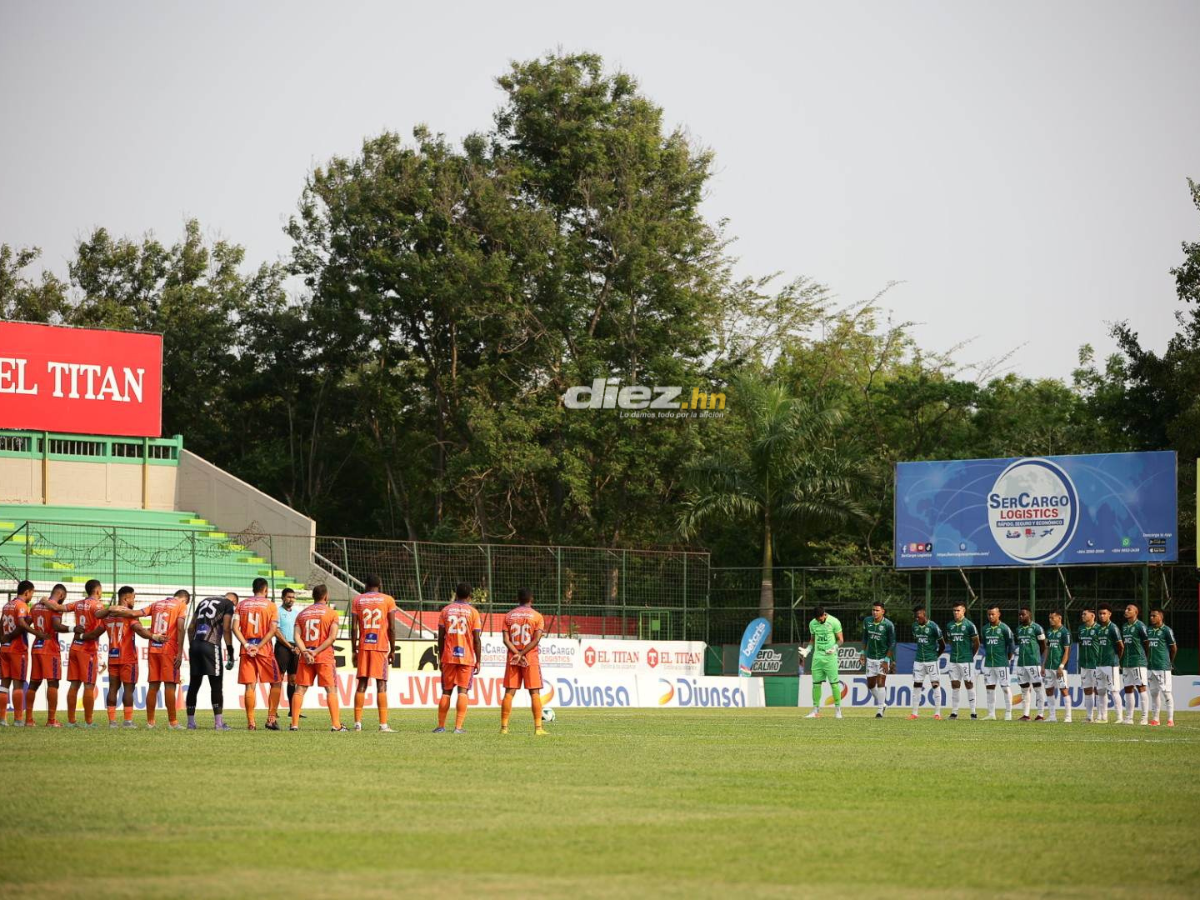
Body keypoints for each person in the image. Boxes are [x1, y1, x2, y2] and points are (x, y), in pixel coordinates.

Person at [34, 579, 137, 728]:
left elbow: (58, 607)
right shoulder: (97, 605)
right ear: (97, 591)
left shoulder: (77, 604)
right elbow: (99, 614)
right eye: (100, 591)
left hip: (75, 647)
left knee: (74, 684)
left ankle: (71, 721)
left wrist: (44, 600)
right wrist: (110, 609)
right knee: (89, 685)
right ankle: (88, 721)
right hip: (87, 649)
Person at [104, 586, 161, 727]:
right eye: (133, 597)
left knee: (112, 688)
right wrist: (154, 636)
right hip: (128, 657)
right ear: (126, 598)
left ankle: (112, 722)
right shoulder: (129, 615)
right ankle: (128, 721)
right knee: (129, 689)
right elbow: (140, 630)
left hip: (112, 655)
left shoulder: (108, 614)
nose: (134, 600)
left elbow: (97, 630)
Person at [291, 585, 345, 732]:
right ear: (326, 597)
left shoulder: (302, 614)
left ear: (313, 597)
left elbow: (296, 636)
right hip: (324, 657)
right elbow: (332, 637)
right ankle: (336, 725)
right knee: (331, 689)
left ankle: (294, 724)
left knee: (300, 689)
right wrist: (316, 652)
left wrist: (305, 652)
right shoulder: (331, 613)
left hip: (305, 657)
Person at [350, 574, 398, 732]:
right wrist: (393, 648)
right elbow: (391, 627)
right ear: (380, 584)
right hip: (380, 647)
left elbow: (354, 628)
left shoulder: (358, 600)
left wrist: (353, 649)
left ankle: (357, 723)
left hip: (364, 646)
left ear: (365, 584)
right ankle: (383, 724)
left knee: (362, 684)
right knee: (381, 684)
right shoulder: (388, 600)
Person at [233, 578, 282, 730]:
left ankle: (251, 722)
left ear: (253, 589)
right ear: (265, 590)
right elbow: (273, 629)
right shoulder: (271, 605)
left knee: (250, 686)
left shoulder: (241, 605)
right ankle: (271, 719)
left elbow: (235, 628)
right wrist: (259, 647)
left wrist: (248, 645)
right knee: (276, 682)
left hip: (246, 650)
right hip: (265, 650)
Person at [434, 582, 482, 734]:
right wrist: (478, 659)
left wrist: (441, 656)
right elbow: (476, 639)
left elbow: (441, 637)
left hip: (448, 656)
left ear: (456, 593)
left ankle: (441, 726)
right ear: (469, 596)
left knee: (446, 691)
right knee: (463, 692)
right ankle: (458, 727)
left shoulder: (446, 611)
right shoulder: (473, 613)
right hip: (466, 657)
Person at [499, 587, 548, 734]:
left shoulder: (508, 616)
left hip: (513, 658)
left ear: (517, 599)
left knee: (509, 692)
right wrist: (523, 654)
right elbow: (536, 639)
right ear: (531, 599)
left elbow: (505, 640)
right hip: (530, 657)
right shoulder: (537, 616)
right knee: (534, 693)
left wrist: (516, 653)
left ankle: (504, 728)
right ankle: (538, 729)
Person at [186, 593, 236, 730]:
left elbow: (190, 628)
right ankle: (218, 724)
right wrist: (230, 652)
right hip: (211, 645)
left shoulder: (203, 601)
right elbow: (226, 628)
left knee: (194, 685)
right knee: (216, 685)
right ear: (233, 600)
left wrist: (193, 645)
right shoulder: (228, 604)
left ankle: (190, 723)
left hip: (196, 644)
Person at [25, 585, 70, 726]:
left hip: (37, 646)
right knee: (53, 682)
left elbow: (25, 624)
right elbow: (56, 626)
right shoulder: (54, 607)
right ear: (61, 595)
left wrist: (37, 633)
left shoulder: (36, 606)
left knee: (34, 683)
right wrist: (73, 629)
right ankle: (51, 720)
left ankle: (29, 720)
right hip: (50, 647)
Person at [145, 590, 189, 729]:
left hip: (153, 648)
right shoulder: (180, 606)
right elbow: (181, 629)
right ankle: (173, 722)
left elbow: (137, 614)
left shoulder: (156, 604)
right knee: (170, 685)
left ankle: (150, 722)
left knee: (153, 685)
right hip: (168, 650)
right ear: (184, 600)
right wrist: (180, 651)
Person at [0, 581, 36, 726]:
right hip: (17, 649)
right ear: (27, 592)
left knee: (4, 684)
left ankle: (2, 719)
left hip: (4, 648)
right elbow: (21, 624)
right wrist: (35, 632)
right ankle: (18, 719)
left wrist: (3, 638)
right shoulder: (22, 606)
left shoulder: (7, 605)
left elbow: (1, 622)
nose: (32, 596)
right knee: (18, 684)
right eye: (32, 593)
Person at [804, 605, 844, 719]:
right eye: (817, 619)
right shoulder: (812, 623)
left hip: (830, 657)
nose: (819, 620)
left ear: (824, 614)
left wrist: (835, 647)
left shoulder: (834, 621)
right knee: (816, 684)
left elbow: (841, 639)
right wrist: (808, 649)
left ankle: (838, 711)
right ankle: (815, 710)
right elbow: (812, 640)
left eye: (820, 618)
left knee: (834, 684)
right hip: (817, 657)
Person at [944, 603, 980, 720]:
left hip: (966, 660)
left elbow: (976, 643)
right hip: (953, 659)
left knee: (968, 684)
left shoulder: (969, 625)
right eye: (954, 611)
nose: (956, 613)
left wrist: (970, 655)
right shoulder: (950, 625)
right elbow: (950, 641)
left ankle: (973, 712)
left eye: (958, 610)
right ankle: (954, 712)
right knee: (955, 685)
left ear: (963, 611)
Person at [860, 602, 896, 718]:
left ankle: (880, 710)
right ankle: (883, 704)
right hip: (870, 657)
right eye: (873, 610)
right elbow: (865, 638)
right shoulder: (867, 621)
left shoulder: (888, 625)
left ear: (883, 611)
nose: (874, 612)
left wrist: (887, 659)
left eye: (877, 610)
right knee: (870, 685)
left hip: (883, 658)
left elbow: (892, 643)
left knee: (881, 682)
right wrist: (862, 653)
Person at [909, 606, 945, 720]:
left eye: (918, 616)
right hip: (918, 660)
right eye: (915, 617)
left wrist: (935, 656)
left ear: (924, 614)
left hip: (931, 660)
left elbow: (942, 645)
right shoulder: (914, 627)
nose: (916, 619)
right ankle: (914, 713)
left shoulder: (933, 626)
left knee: (935, 684)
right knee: (917, 685)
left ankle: (937, 713)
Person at [980, 605, 1015, 720]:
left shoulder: (1005, 628)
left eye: (993, 614)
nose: (990, 616)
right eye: (989, 614)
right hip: (989, 663)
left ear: (998, 614)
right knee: (990, 688)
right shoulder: (985, 629)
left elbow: (1011, 645)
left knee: (1005, 687)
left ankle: (1008, 713)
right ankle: (991, 714)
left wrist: (1007, 658)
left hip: (1002, 663)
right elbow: (985, 644)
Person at [1120, 602, 1151, 726]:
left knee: (1141, 687)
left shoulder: (1140, 626)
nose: (1126, 611)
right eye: (1126, 608)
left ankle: (1144, 718)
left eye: (1129, 609)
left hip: (1138, 661)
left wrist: (1143, 657)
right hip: (1127, 662)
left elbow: (1147, 643)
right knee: (1128, 688)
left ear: (1135, 613)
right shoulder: (1124, 627)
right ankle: (1129, 717)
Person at [1093, 603, 1125, 724]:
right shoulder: (1098, 629)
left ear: (1109, 614)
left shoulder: (1113, 628)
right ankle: (1102, 717)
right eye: (1100, 613)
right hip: (1099, 664)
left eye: (1104, 613)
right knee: (1100, 690)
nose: (1101, 616)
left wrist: (1117, 660)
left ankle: (1119, 717)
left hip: (1111, 664)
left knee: (1114, 690)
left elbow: (1121, 646)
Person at [1014, 606, 1047, 722]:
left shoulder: (1037, 628)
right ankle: (1026, 715)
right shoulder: (1018, 629)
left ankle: (1040, 714)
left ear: (1029, 615)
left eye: (1023, 614)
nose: (1021, 617)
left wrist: (1037, 657)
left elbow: (1043, 645)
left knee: (1038, 688)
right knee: (1024, 689)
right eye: (1019, 615)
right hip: (1021, 663)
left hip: (1033, 663)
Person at [1146, 608, 1176, 727]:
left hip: (1163, 666)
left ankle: (1170, 720)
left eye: (1154, 616)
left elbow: (1173, 648)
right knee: (1154, 693)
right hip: (1150, 667)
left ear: (1160, 617)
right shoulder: (1148, 630)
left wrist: (1169, 662)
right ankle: (1155, 719)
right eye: (1151, 616)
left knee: (1166, 693)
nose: (1151, 618)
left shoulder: (1166, 630)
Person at [1041, 610, 1072, 723]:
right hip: (1049, 666)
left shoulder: (1065, 632)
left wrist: (1061, 666)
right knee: (1049, 690)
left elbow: (1067, 651)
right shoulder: (1049, 632)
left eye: (1053, 618)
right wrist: (1043, 665)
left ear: (1059, 618)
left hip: (1059, 667)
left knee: (1064, 690)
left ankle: (1068, 717)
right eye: (1049, 618)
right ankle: (1052, 716)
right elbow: (1047, 649)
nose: (1050, 620)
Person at [275, 588, 301, 716]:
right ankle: (273, 710)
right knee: (278, 678)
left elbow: (300, 632)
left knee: (293, 679)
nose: (291, 599)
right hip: (282, 647)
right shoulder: (277, 612)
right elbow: (277, 632)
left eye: (293, 597)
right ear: (283, 598)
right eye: (289, 597)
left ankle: (293, 710)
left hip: (295, 648)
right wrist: (289, 646)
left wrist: (298, 647)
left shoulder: (297, 613)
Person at [1077, 609, 1099, 722]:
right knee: (1087, 690)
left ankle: (1100, 716)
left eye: (1085, 614)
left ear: (1093, 615)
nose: (1083, 615)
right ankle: (1089, 716)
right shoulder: (1080, 629)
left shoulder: (1098, 628)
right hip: (1084, 664)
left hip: (1096, 664)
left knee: (1098, 689)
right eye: (1082, 614)